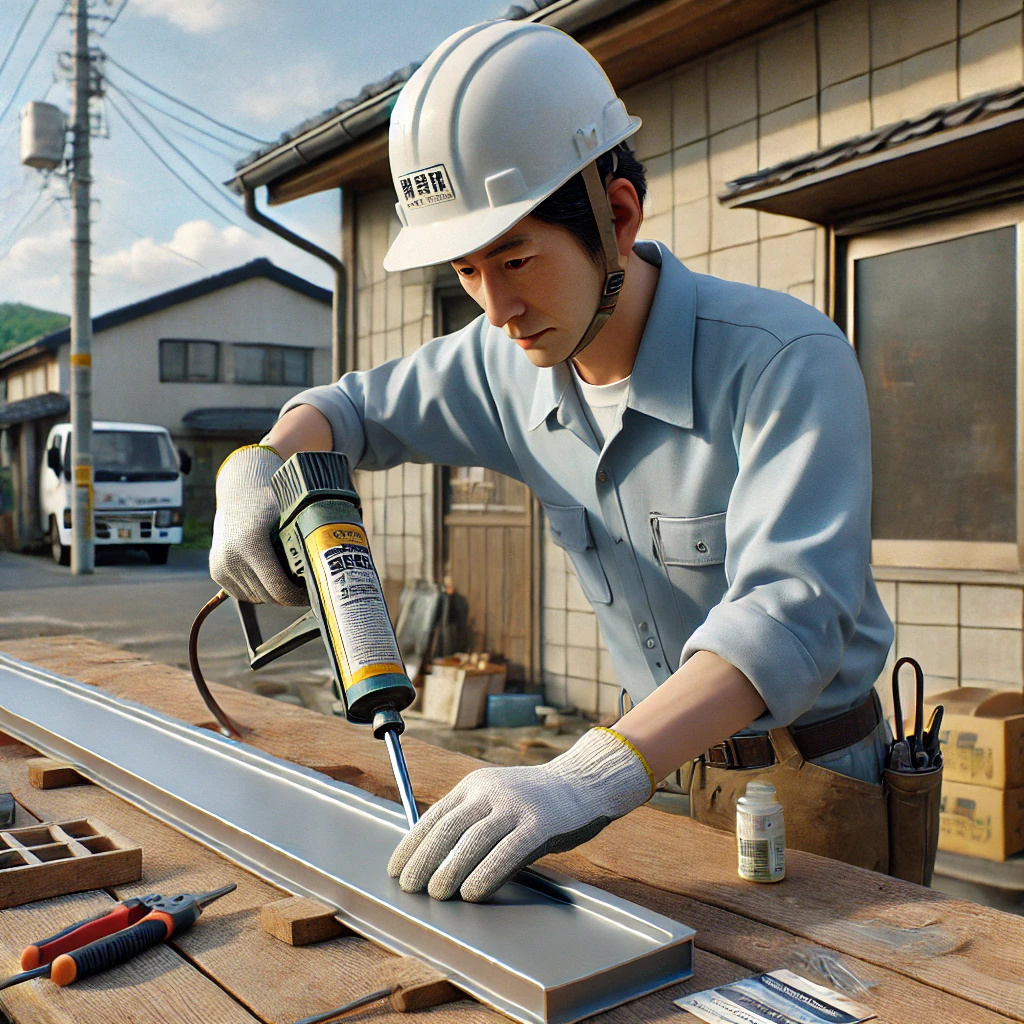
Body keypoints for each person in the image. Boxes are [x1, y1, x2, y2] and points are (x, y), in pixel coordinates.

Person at [210, 20, 896, 901]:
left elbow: (789, 615)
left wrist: (584, 777)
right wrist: (258, 469)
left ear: (615, 215)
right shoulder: (506, 363)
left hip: (808, 784)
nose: (497, 307)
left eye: (518, 256)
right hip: (650, 782)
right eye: (466, 270)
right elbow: (348, 410)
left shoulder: (782, 358)